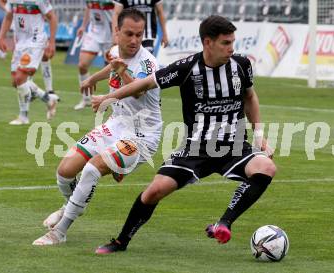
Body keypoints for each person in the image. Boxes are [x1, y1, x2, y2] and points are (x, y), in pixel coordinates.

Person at [91, 15, 276, 254]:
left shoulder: (241, 64)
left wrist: (259, 134)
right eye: (225, 43)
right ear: (208, 43)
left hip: (234, 146)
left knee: (266, 167)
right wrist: (107, 97)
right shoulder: (186, 68)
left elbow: (250, 96)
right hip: (195, 148)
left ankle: (224, 222)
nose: (232, 48)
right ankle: (120, 241)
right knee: (153, 192)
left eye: (232, 42)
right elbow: (144, 84)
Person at [32, 8, 162, 246]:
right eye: (129, 34)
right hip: (115, 125)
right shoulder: (114, 52)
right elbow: (113, 64)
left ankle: (59, 232)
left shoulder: (148, 63)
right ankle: (71, 205)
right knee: (64, 172)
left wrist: (117, 80)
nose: (134, 40)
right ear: (117, 32)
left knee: (91, 170)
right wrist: (93, 79)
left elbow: (139, 90)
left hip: (142, 135)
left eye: (139, 35)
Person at [0, 0, 59, 125]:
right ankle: (49, 100)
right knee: (16, 82)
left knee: (20, 78)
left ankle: (23, 116)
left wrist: (52, 42)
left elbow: (52, 17)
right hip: (20, 42)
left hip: (35, 41)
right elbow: (8, 16)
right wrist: (1, 37)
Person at [74, 0, 116, 110]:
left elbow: (119, 9)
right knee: (82, 65)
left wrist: (117, 34)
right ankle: (86, 99)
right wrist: (83, 26)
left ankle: (112, 100)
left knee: (113, 70)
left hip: (110, 34)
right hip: (94, 32)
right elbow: (89, 7)